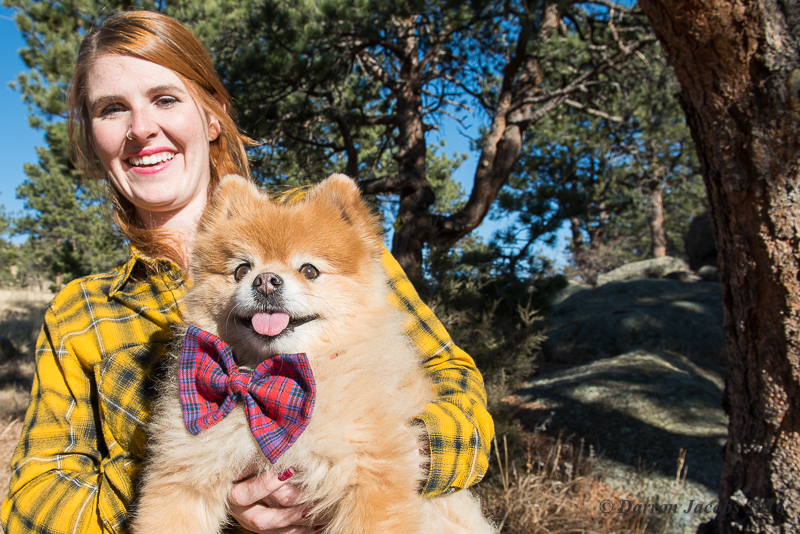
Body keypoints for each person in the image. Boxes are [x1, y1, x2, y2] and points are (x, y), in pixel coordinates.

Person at [0, 10, 494, 534]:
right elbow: (32, 506)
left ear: (212, 115)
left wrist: (390, 458)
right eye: (111, 108)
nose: (140, 129)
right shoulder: (81, 312)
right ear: (92, 135)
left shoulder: (330, 228)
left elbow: (462, 398)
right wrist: (193, 479)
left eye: (164, 99)